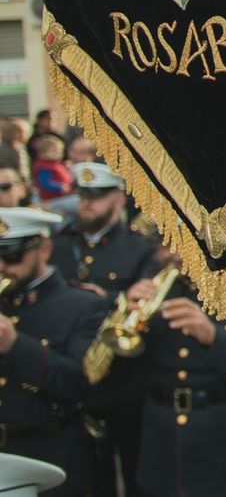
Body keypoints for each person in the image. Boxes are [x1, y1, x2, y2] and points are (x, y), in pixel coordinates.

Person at [104, 244, 226, 497]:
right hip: (165, 455)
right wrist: (124, 314)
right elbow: (115, 378)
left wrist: (213, 337)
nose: (171, 251)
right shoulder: (156, 283)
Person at [49, 163, 161, 497]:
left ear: (118, 198)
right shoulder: (56, 245)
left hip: (124, 383)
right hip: (73, 383)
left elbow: (147, 303)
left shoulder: (140, 249)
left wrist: (110, 298)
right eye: (83, 195)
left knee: (136, 471)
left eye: (97, 196)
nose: (87, 203)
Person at [0, 207, 106, 497]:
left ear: (44, 249)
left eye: (11, 256)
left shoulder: (83, 305)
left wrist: (14, 345)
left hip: (48, 455)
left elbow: (79, 384)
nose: (2, 266)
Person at [30, 135, 72, 204]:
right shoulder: (44, 167)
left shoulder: (55, 164)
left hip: (61, 195)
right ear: (42, 153)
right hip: (51, 198)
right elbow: (44, 182)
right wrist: (59, 187)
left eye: (60, 151)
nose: (58, 154)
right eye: (54, 151)